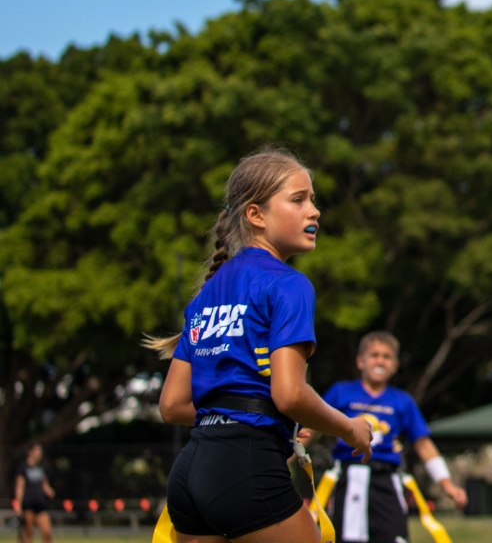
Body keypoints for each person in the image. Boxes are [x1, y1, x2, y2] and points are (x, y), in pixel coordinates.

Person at [146, 148, 373, 543]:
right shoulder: (288, 284)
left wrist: (248, 415)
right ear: (256, 215)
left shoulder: (205, 296)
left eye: (313, 200)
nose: (314, 211)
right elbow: (289, 394)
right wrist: (349, 428)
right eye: (298, 199)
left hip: (190, 472)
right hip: (244, 466)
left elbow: (172, 405)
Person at [313, 332, 467, 543]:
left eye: (386, 357)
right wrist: (287, 457)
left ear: (394, 365)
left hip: (387, 481)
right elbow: (312, 427)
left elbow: (423, 444)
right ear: (361, 361)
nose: (380, 360)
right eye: (374, 354)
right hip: (350, 479)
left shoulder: (402, 401)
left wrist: (447, 485)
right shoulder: (340, 392)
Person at [13, 444, 54, 543]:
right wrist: (18, 505)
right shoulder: (23, 467)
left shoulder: (43, 466)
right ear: (30, 452)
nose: (39, 454)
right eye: (36, 451)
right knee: (28, 532)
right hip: (28, 504)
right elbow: (19, 487)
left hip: (40, 504)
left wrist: (49, 490)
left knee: (47, 532)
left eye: (40, 451)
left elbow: (45, 484)